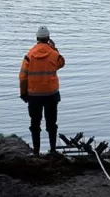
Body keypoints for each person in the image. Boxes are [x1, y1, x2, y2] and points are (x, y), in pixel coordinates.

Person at [19, 26, 65, 156]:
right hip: (51, 94)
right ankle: (52, 149)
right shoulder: (54, 54)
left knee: (35, 123)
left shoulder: (29, 55)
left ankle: (36, 151)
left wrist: (23, 93)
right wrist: (54, 48)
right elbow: (61, 63)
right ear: (48, 38)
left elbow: (23, 76)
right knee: (51, 123)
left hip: (34, 96)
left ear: (37, 38)